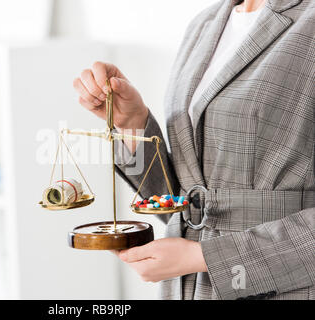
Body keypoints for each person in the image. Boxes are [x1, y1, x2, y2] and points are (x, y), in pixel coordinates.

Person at [73, 0, 314, 300]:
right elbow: (190, 198)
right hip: (188, 288)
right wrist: (132, 122)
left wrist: (204, 257)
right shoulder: (205, 24)